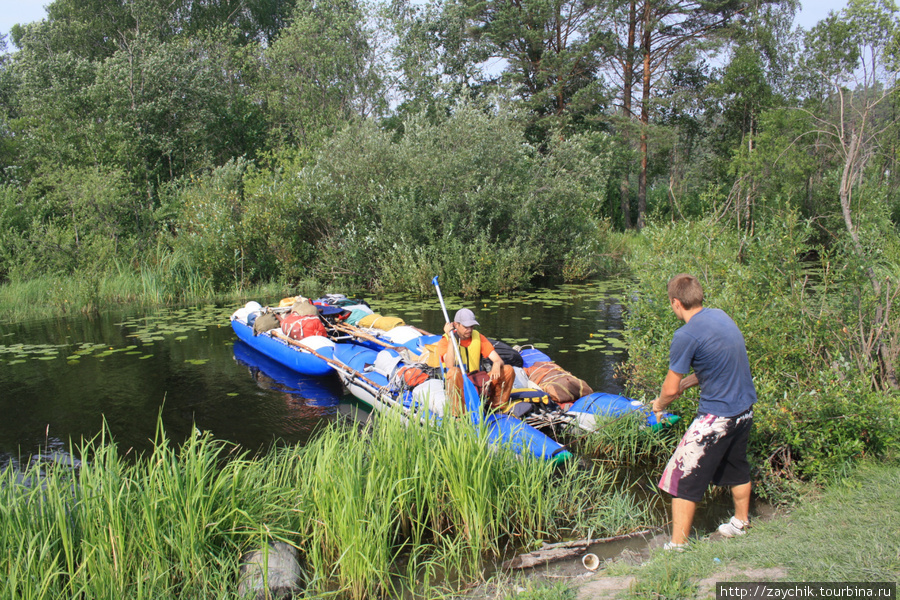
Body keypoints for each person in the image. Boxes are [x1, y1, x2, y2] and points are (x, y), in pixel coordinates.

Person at [650, 274, 757, 551]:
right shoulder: (720, 316)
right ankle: (740, 523)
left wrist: (659, 404)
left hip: (717, 417)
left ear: (675, 302)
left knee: (680, 476)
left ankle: (678, 547)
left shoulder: (685, 335)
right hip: (744, 410)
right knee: (737, 466)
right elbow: (720, 361)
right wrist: (689, 381)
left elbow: (669, 390)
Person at [436, 308, 515, 416]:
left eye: (471, 327)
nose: (469, 330)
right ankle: (459, 415)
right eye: (466, 327)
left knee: (508, 370)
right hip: (460, 384)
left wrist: (496, 365)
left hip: (477, 381)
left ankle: (496, 408)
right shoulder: (445, 341)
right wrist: (451, 339)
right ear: (456, 324)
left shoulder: (478, 337)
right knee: (453, 372)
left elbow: (497, 359)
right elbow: (449, 365)